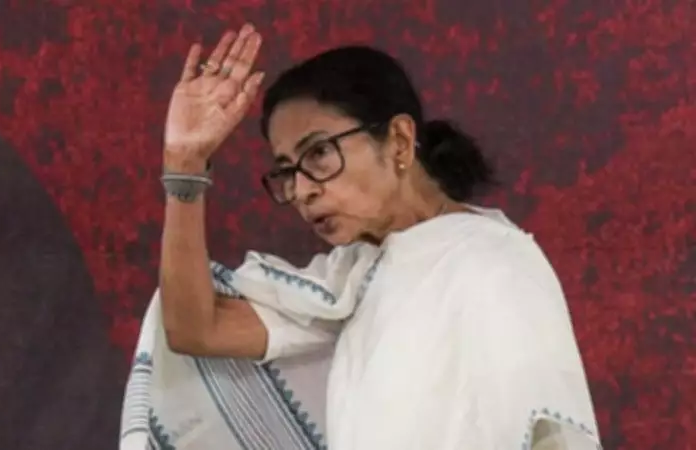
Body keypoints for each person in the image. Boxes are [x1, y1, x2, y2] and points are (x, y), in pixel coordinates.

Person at [159, 23, 601, 449]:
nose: (303, 189)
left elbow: (546, 437)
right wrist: (185, 163)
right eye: (287, 170)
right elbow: (196, 329)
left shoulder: (493, 266)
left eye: (318, 152)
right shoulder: (348, 284)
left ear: (400, 140)